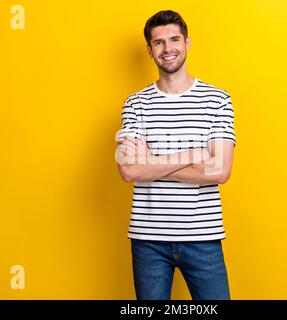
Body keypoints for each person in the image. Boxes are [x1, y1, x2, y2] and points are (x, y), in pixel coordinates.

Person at [115, 10, 236, 300]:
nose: (168, 49)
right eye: (159, 43)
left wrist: (151, 161)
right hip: (148, 241)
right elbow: (128, 171)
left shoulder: (217, 100)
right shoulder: (135, 103)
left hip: (203, 239)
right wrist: (194, 154)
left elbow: (220, 171)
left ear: (187, 43)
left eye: (174, 40)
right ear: (149, 50)